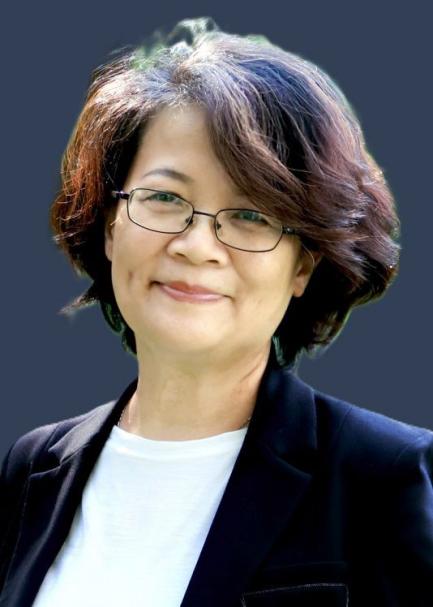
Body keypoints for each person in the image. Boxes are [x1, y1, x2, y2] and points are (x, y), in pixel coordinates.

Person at [1, 16, 432, 607]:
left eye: (251, 215)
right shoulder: (33, 470)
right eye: (164, 197)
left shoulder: (385, 476)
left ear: (303, 266)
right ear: (109, 226)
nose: (196, 245)